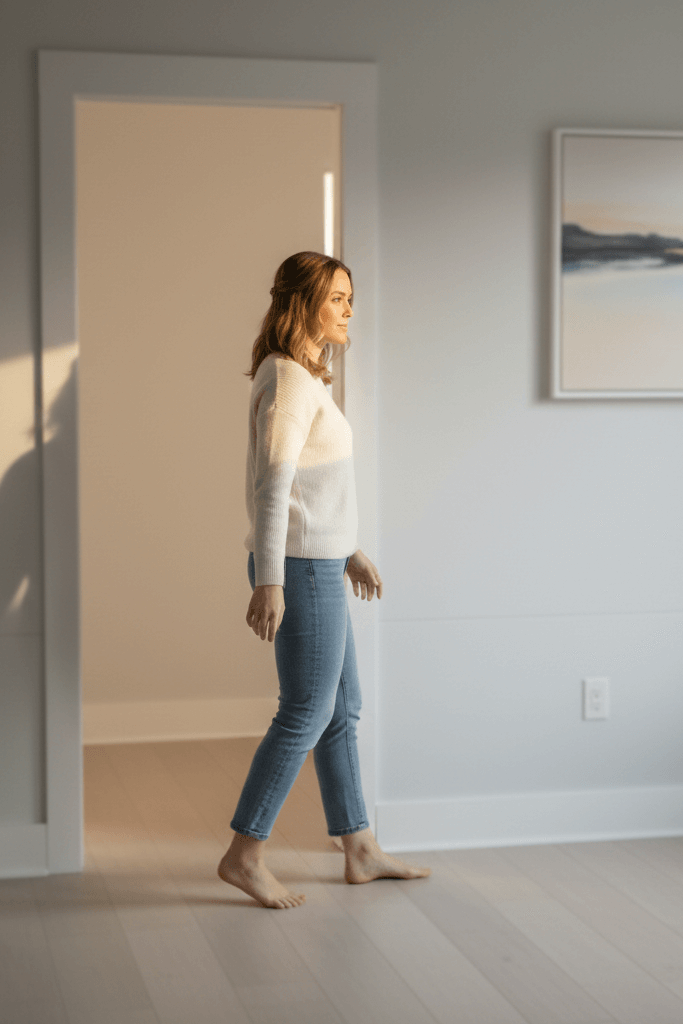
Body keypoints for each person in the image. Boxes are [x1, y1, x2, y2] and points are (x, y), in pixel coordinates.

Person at [217, 251, 431, 909]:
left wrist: (349, 552)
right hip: (299, 570)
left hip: (317, 563)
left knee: (342, 709)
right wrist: (271, 582)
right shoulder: (286, 381)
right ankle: (244, 855)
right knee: (307, 711)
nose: (348, 311)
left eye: (350, 298)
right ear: (303, 302)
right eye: (337, 298)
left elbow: (314, 491)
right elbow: (274, 486)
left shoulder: (304, 381)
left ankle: (359, 849)